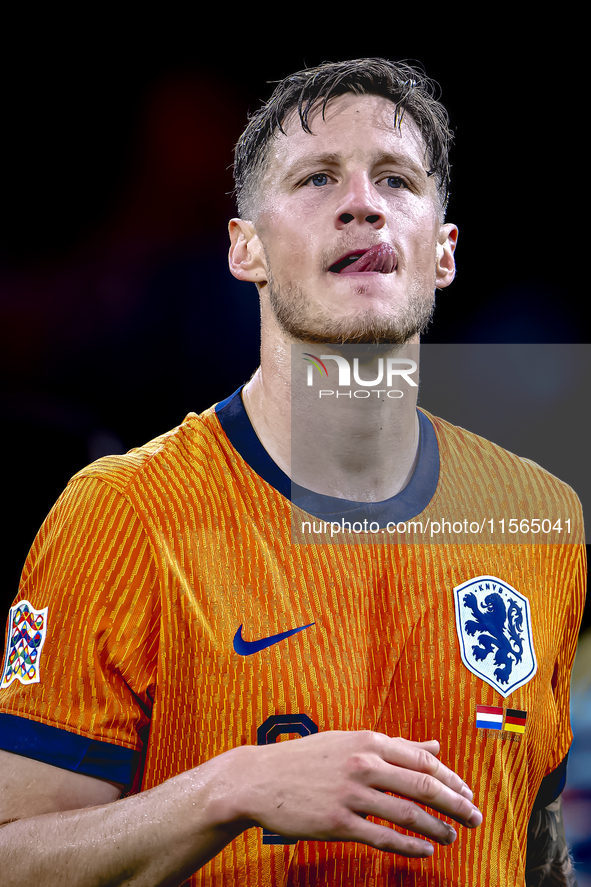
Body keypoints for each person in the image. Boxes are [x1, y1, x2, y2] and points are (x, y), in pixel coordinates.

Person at [0, 58, 584, 887]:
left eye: (396, 179)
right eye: (315, 179)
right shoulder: (122, 513)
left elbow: (532, 837)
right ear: (245, 248)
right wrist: (228, 788)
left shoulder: (539, 513)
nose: (362, 202)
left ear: (443, 252)